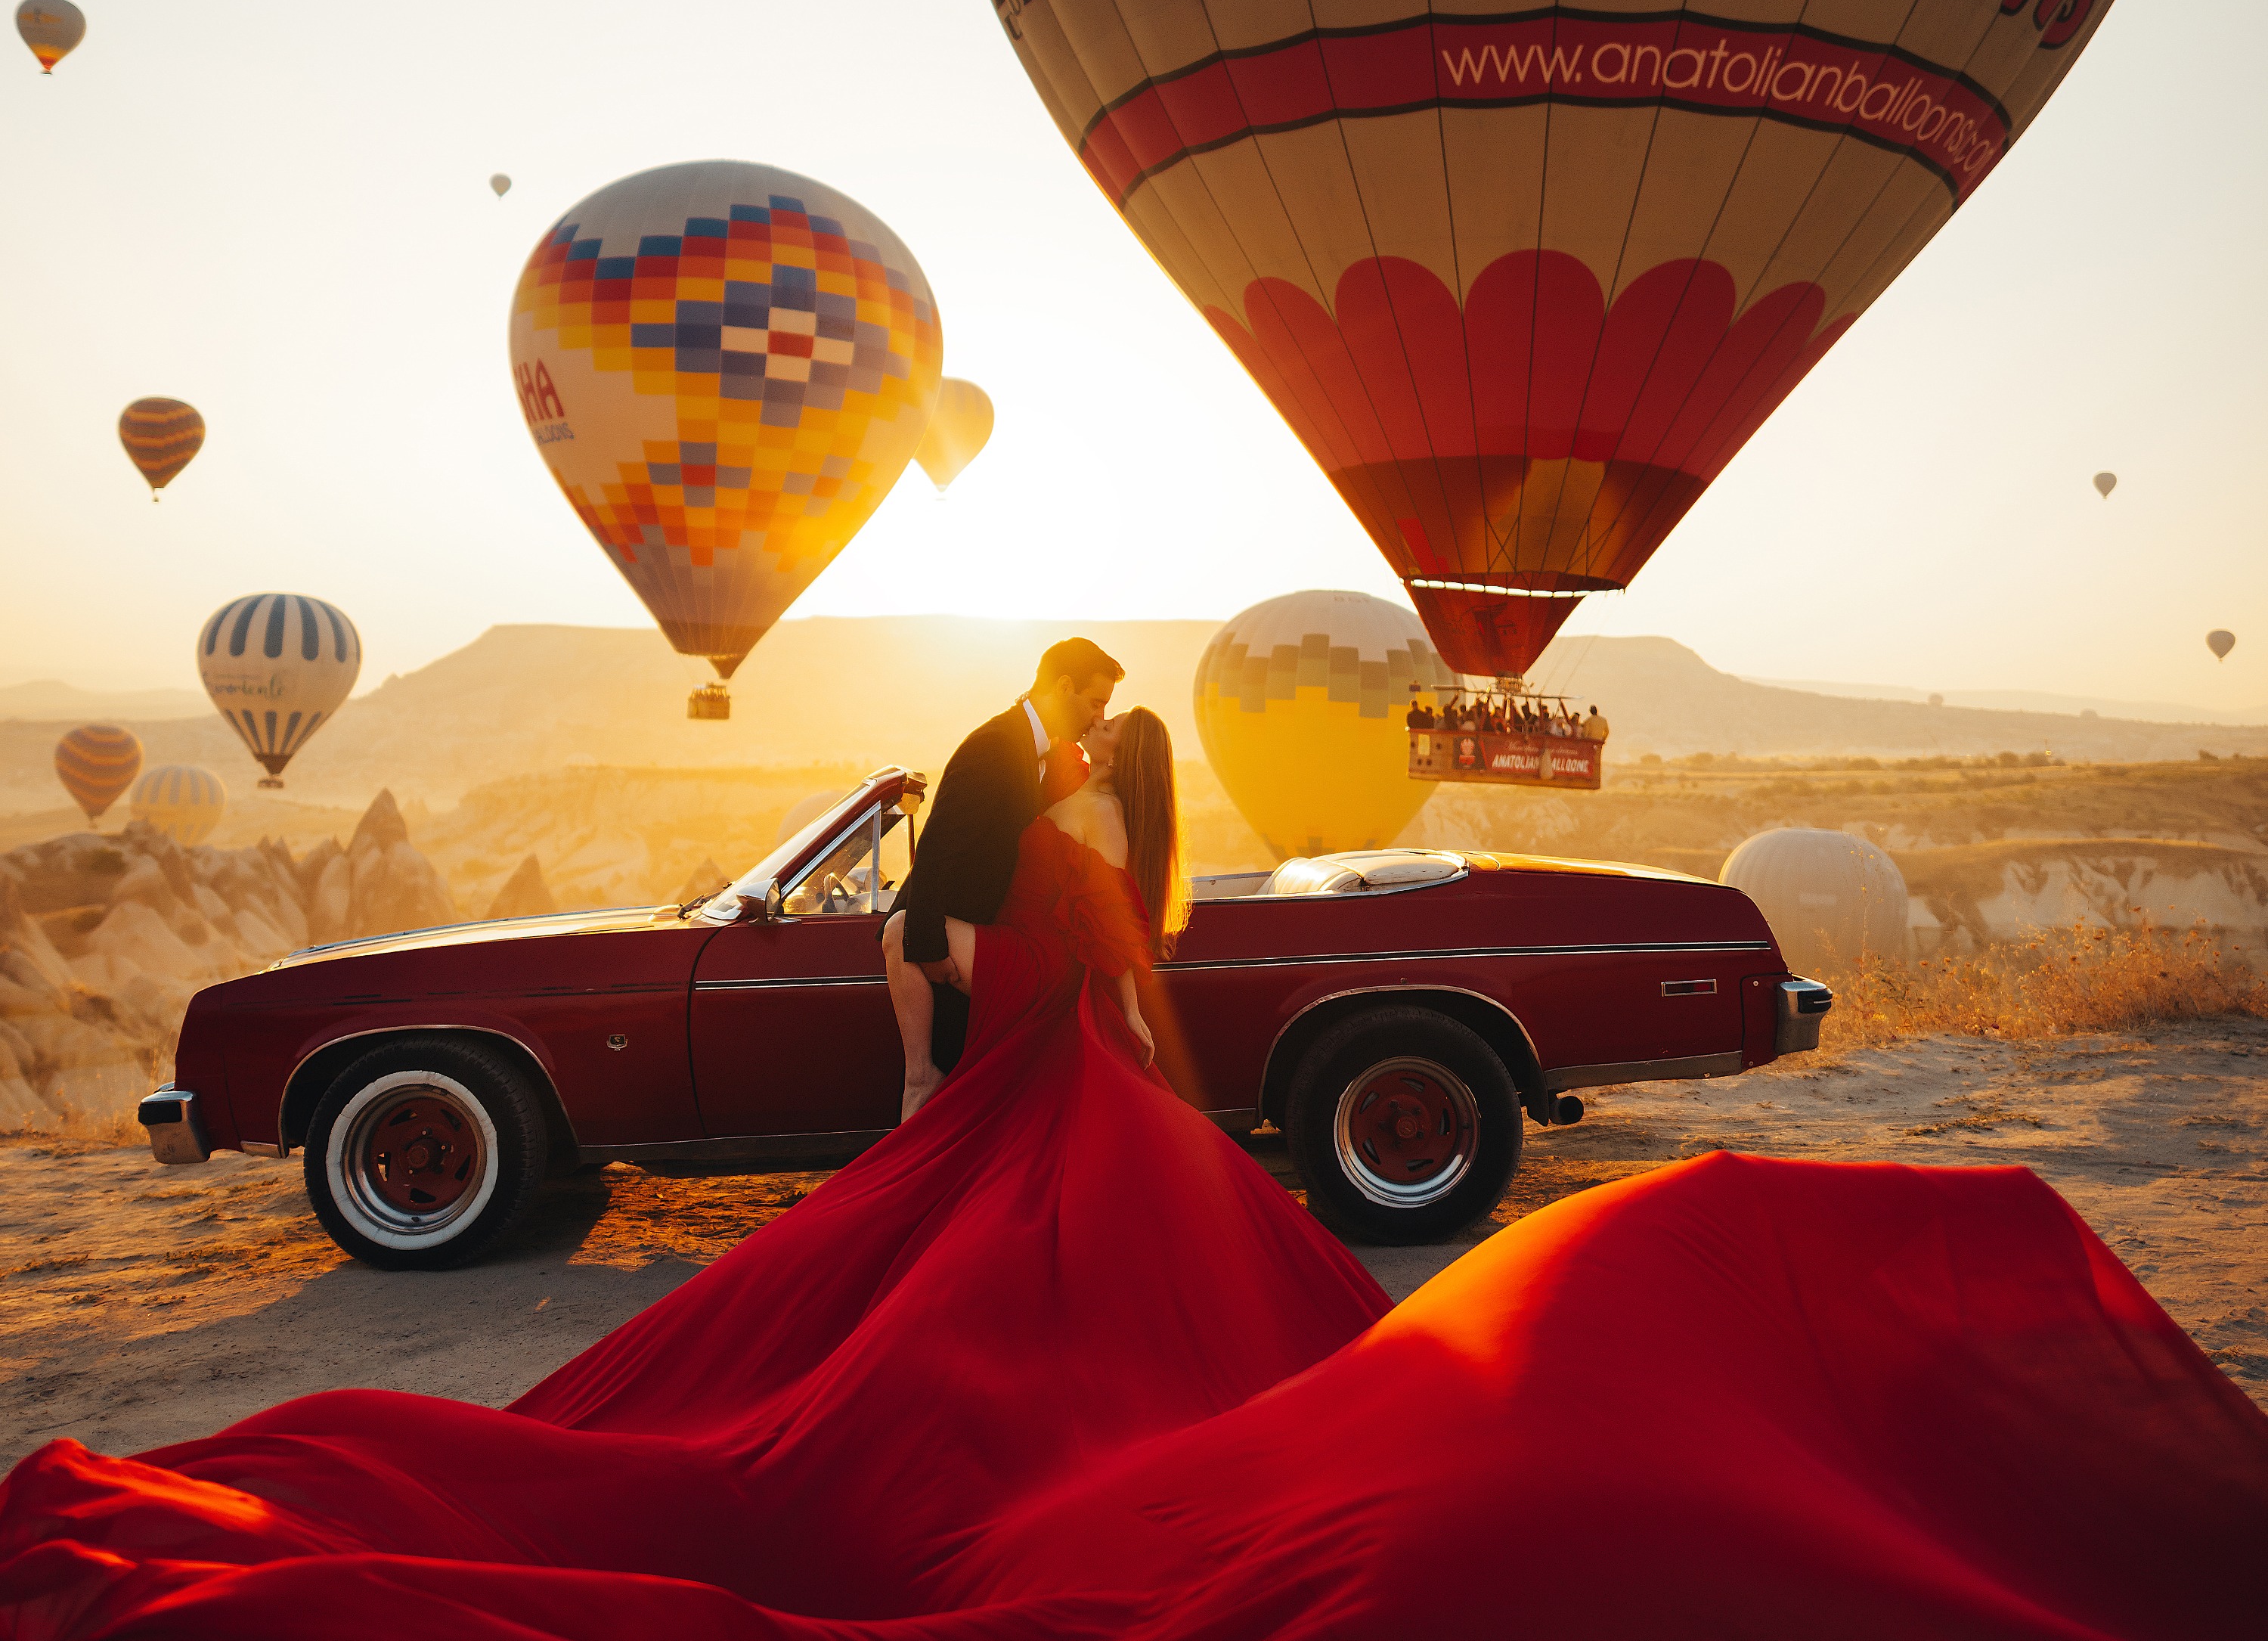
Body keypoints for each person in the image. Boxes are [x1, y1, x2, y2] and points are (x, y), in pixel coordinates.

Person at [2, 711, 2263, 1634]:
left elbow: (942, 969)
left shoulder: (994, 872)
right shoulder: (1060, 851)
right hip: (1077, 1081)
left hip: (1043, 1085)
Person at [882, 637, 1120, 1119]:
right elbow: (938, 845)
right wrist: (927, 944)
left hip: (999, 944)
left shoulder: (1055, 758)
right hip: (953, 947)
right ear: (1064, 686)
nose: (1097, 717)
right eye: (1094, 702)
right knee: (940, 1096)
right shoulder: (991, 745)